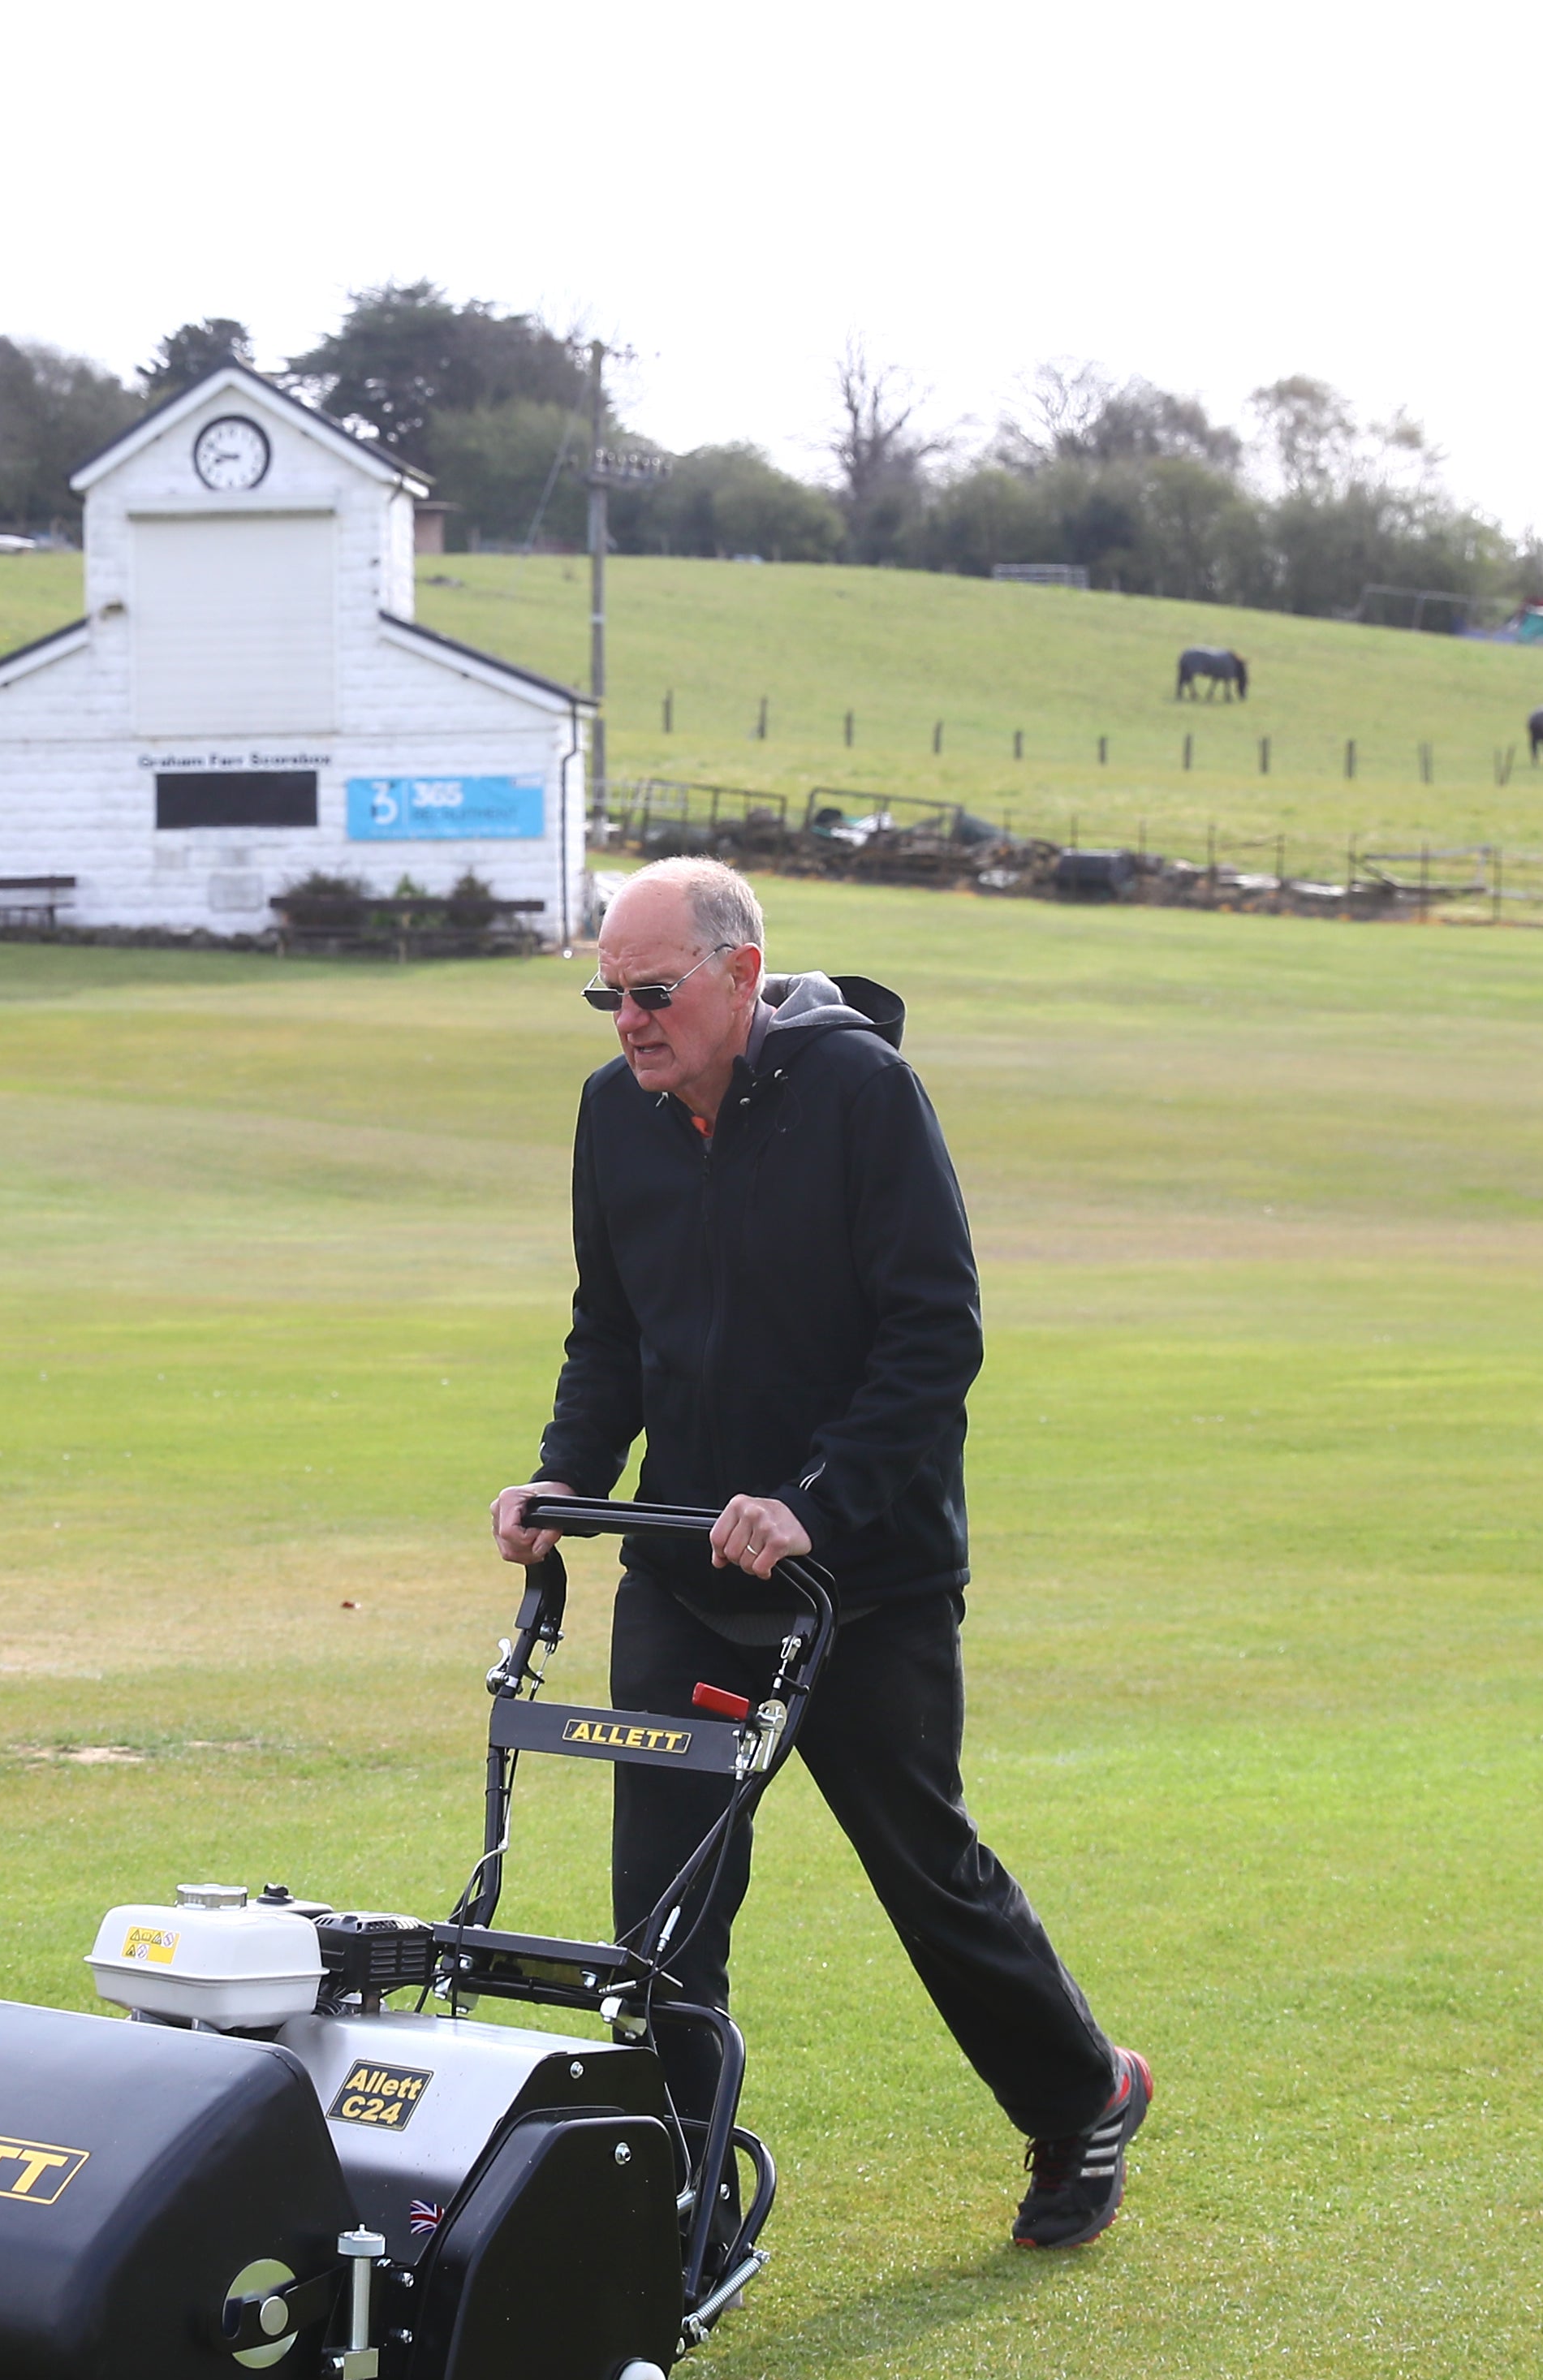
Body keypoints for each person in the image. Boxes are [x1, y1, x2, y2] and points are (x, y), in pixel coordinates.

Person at [490, 856, 1153, 2249]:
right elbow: (612, 1334)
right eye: (609, 995)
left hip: (863, 1582)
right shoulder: (614, 1117)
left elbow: (936, 1334)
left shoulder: (865, 1098)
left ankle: (1083, 2098)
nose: (628, 1022)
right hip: (679, 1568)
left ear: (741, 974)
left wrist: (813, 1500)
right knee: (662, 1911)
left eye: (654, 993)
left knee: (922, 1864)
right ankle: (670, 2208)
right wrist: (564, 1476)